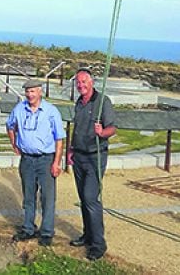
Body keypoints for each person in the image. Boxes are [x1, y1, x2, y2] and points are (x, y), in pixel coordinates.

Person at [6, 79, 65, 246]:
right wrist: (14, 142)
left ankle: (46, 232)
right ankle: (28, 228)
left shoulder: (51, 111)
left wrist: (56, 162)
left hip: (46, 159)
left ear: (40, 92)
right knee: (28, 195)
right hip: (27, 159)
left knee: (47, 197)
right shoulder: (19, 109)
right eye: (27, 91)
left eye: (33, 91)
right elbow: (10, 125)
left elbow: (59, 138)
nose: (29, 95)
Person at [69, 69, 116, 261]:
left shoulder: (103, 101)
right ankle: (88, 235)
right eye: (78, 83)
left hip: (95, 156)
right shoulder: (79, 103)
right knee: (83, 198)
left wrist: (102, 132)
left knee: (90, 198)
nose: (81, 85)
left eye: (84, 82)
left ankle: (98, 244)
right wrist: (71, 149)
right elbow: (77, 128)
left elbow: (112, 128)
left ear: (92, 82)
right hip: (79, 156)